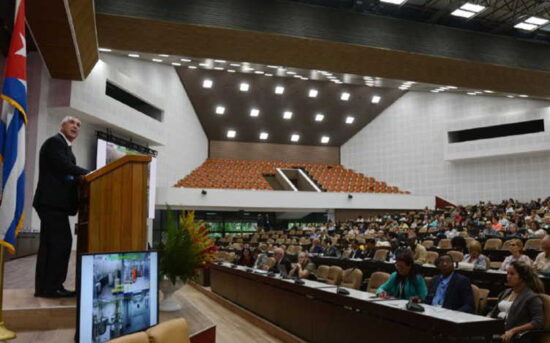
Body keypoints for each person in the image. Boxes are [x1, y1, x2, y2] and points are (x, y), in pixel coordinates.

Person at [33, 116, 89, 298]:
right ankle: (52, 287)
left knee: (51, 245)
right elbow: (63, 166)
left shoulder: (65, 147)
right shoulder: (54, 143)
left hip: (54, 205)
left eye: (79, 125)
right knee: (60, 243)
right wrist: (89, 173)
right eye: (72, 122)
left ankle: (46, 287)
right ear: (61, 125)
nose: (76, 126)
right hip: (51, 203)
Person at [488, 261, 545, 343]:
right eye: (507, 273)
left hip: (516, 337)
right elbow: (493, 312)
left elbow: (538, 322)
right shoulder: (505, 292)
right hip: (497, 331)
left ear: (522, 277)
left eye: (512, 274)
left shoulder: (532, 297)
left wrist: (514, 330)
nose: (508, 276)